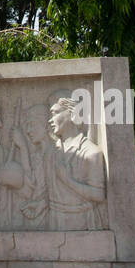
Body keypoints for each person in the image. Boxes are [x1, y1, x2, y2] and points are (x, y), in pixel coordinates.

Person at [47, 96, 108, 230]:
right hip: (55, 220)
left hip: (81, 221)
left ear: (72, 114)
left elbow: (98, 195)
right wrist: (40, 204)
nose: (50, 120)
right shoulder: (54, 152)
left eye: (55, 113)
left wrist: (67, 180)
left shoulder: (91, 152)